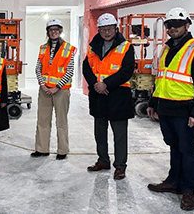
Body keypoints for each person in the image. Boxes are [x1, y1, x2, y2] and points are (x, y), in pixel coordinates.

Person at [147, 7, 194, 211]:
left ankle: (189, 191)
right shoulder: (166, 49)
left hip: (185, 110)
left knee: (188, 150)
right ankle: (174, 181)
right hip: (166, 108)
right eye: (169, 25)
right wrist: (152, 103)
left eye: (177, 24)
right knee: (174, 146)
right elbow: (161, 79)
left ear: (187, 25)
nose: (172, 28)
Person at [82, 13, 135, 180]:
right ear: (99, 30)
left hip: (118, 95)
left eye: (109, 29)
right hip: (98, 95)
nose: (106, 32)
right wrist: (95, 85)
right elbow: (86, 68)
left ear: (115, 29)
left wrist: (107, 84)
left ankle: (120, 166)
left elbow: (127, 71)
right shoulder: (93, 46)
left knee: (119, 134)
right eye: (103, 29)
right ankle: (103, 160)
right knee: (100, 132)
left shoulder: (126, 46)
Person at [31, 19, 75, 160]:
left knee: (61, 121)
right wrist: (43, 85)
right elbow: (38, 68)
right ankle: (42, 148)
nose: (54, 32)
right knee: (42, 120)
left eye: (56, 29)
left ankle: (62, 150)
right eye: (51, 30)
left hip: (60, 91)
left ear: (60, 31)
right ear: (48, 32)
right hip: (45, 90)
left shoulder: (68, 49)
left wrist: (57, 87)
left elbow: (70, 71)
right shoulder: (43, 48)